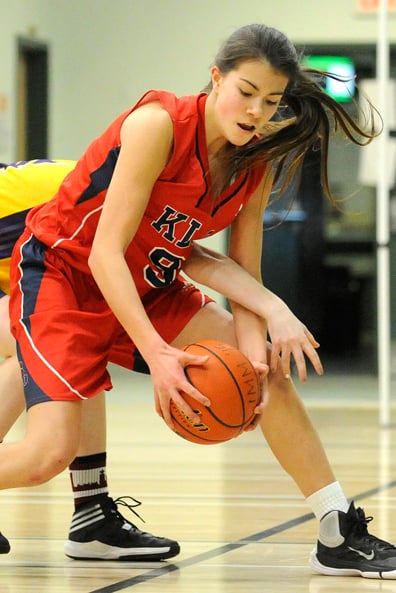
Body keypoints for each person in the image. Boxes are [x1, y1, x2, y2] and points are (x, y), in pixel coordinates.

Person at [4, 23, 396, 579]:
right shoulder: (156, 125)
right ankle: (89, 513)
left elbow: (244, 271)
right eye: (246, 91)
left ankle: (336, 530)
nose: (256, 111)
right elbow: (104, 255)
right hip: (66, 278)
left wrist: (256, 358)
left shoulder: (255, 161)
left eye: (271, 101)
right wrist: (159, 356)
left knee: (271, 380)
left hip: (149, 282)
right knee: (46, 454)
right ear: (216, 79)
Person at [0, 159, 180, 561]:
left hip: (25, 256)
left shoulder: (144, 188)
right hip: (23, 247)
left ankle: (92, 515)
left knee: (74, 338)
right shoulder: (131, 192)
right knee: (43, 341)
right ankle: (93, 512)